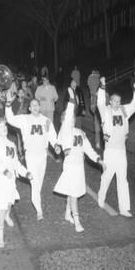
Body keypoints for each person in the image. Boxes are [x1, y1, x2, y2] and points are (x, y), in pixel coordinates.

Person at [54, 87, 105, 232]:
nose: (70, 120)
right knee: (74, 193)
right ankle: (77, 221)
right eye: (66, 119)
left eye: (71, 119)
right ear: (64, 121)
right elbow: (69, 116)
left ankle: (66, 213)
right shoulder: (64, 132)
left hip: (79, 166)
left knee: (73, 191)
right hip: (70, 166)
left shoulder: (80, 132)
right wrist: (71, 101)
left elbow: (88, 149)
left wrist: (98, 159)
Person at [5, 91, 61, 220]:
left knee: (38, 184)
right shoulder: (25, 119)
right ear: (29, 108)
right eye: (32, 105)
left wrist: (56, 145)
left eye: (37, 105)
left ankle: (36, 199)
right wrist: (8, 104)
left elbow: (52, 136)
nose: (35, 107)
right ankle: (39, 210)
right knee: (35, 183)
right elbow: (10, 119)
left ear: (40, 107)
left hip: (42, 155)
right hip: (30, 155)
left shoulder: (46, 121)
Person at [0, 117, 33, 248]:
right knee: (2, 207)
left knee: (10, 202)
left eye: (5, 126)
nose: (4, 128)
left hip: (11, 179)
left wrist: (26, 172)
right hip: (0, 177)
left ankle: (7, 216)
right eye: (0, 127)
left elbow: (16, 163)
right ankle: (0, 235)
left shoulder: (12, 144)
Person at [97, 77, 135, 217]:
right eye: (114, 101)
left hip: (121, 150)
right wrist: (102, 86)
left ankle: (124, 208)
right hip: (109, 150)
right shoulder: (105, 111)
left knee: (122, 178)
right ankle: (101, 197)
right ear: (110, 101)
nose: (117, 103)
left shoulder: (123, 110)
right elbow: (99, 102)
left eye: (119, 101)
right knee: (107, 176)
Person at [87, 69, 102, 149]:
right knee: (100, 125)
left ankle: (97, 142)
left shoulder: (90, 77)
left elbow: (88, 85)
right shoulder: (98, 79)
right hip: (99, 106)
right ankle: (99, 141)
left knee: (97, 125)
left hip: (95, 104)